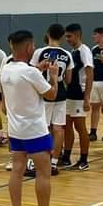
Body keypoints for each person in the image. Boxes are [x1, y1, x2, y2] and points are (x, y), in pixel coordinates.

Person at [1, 29, 64, 206]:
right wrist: (53, 76)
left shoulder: (6, 69)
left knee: (17, 170)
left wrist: (37, 68)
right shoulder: (31, 73)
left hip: (15, 129)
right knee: (43, 173)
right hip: (35, 130)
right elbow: (52, 95)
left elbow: (24, 76)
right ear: (28, 47)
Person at [29, 24, 73, 176]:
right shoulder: (67, 54)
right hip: (61, 92)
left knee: (43, 128)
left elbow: (32, 73)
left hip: (45, 92)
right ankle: (54, 163)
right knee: (58, 128)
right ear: (62, 36)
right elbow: (68, 79)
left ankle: (41, 161)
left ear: (47, 34)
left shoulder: (39, 52)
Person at [59, 24, 95, 171]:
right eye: (66, 36)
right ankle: (66, 157)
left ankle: (84, 159)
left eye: (69, 36)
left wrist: (87, 97)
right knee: (67, 126)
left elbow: (90, 74)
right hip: (70, 94)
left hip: (79, 95)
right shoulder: (73, 52)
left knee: (80, 128)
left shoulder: (84, 51)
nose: (67, 39)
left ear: (77, 35)